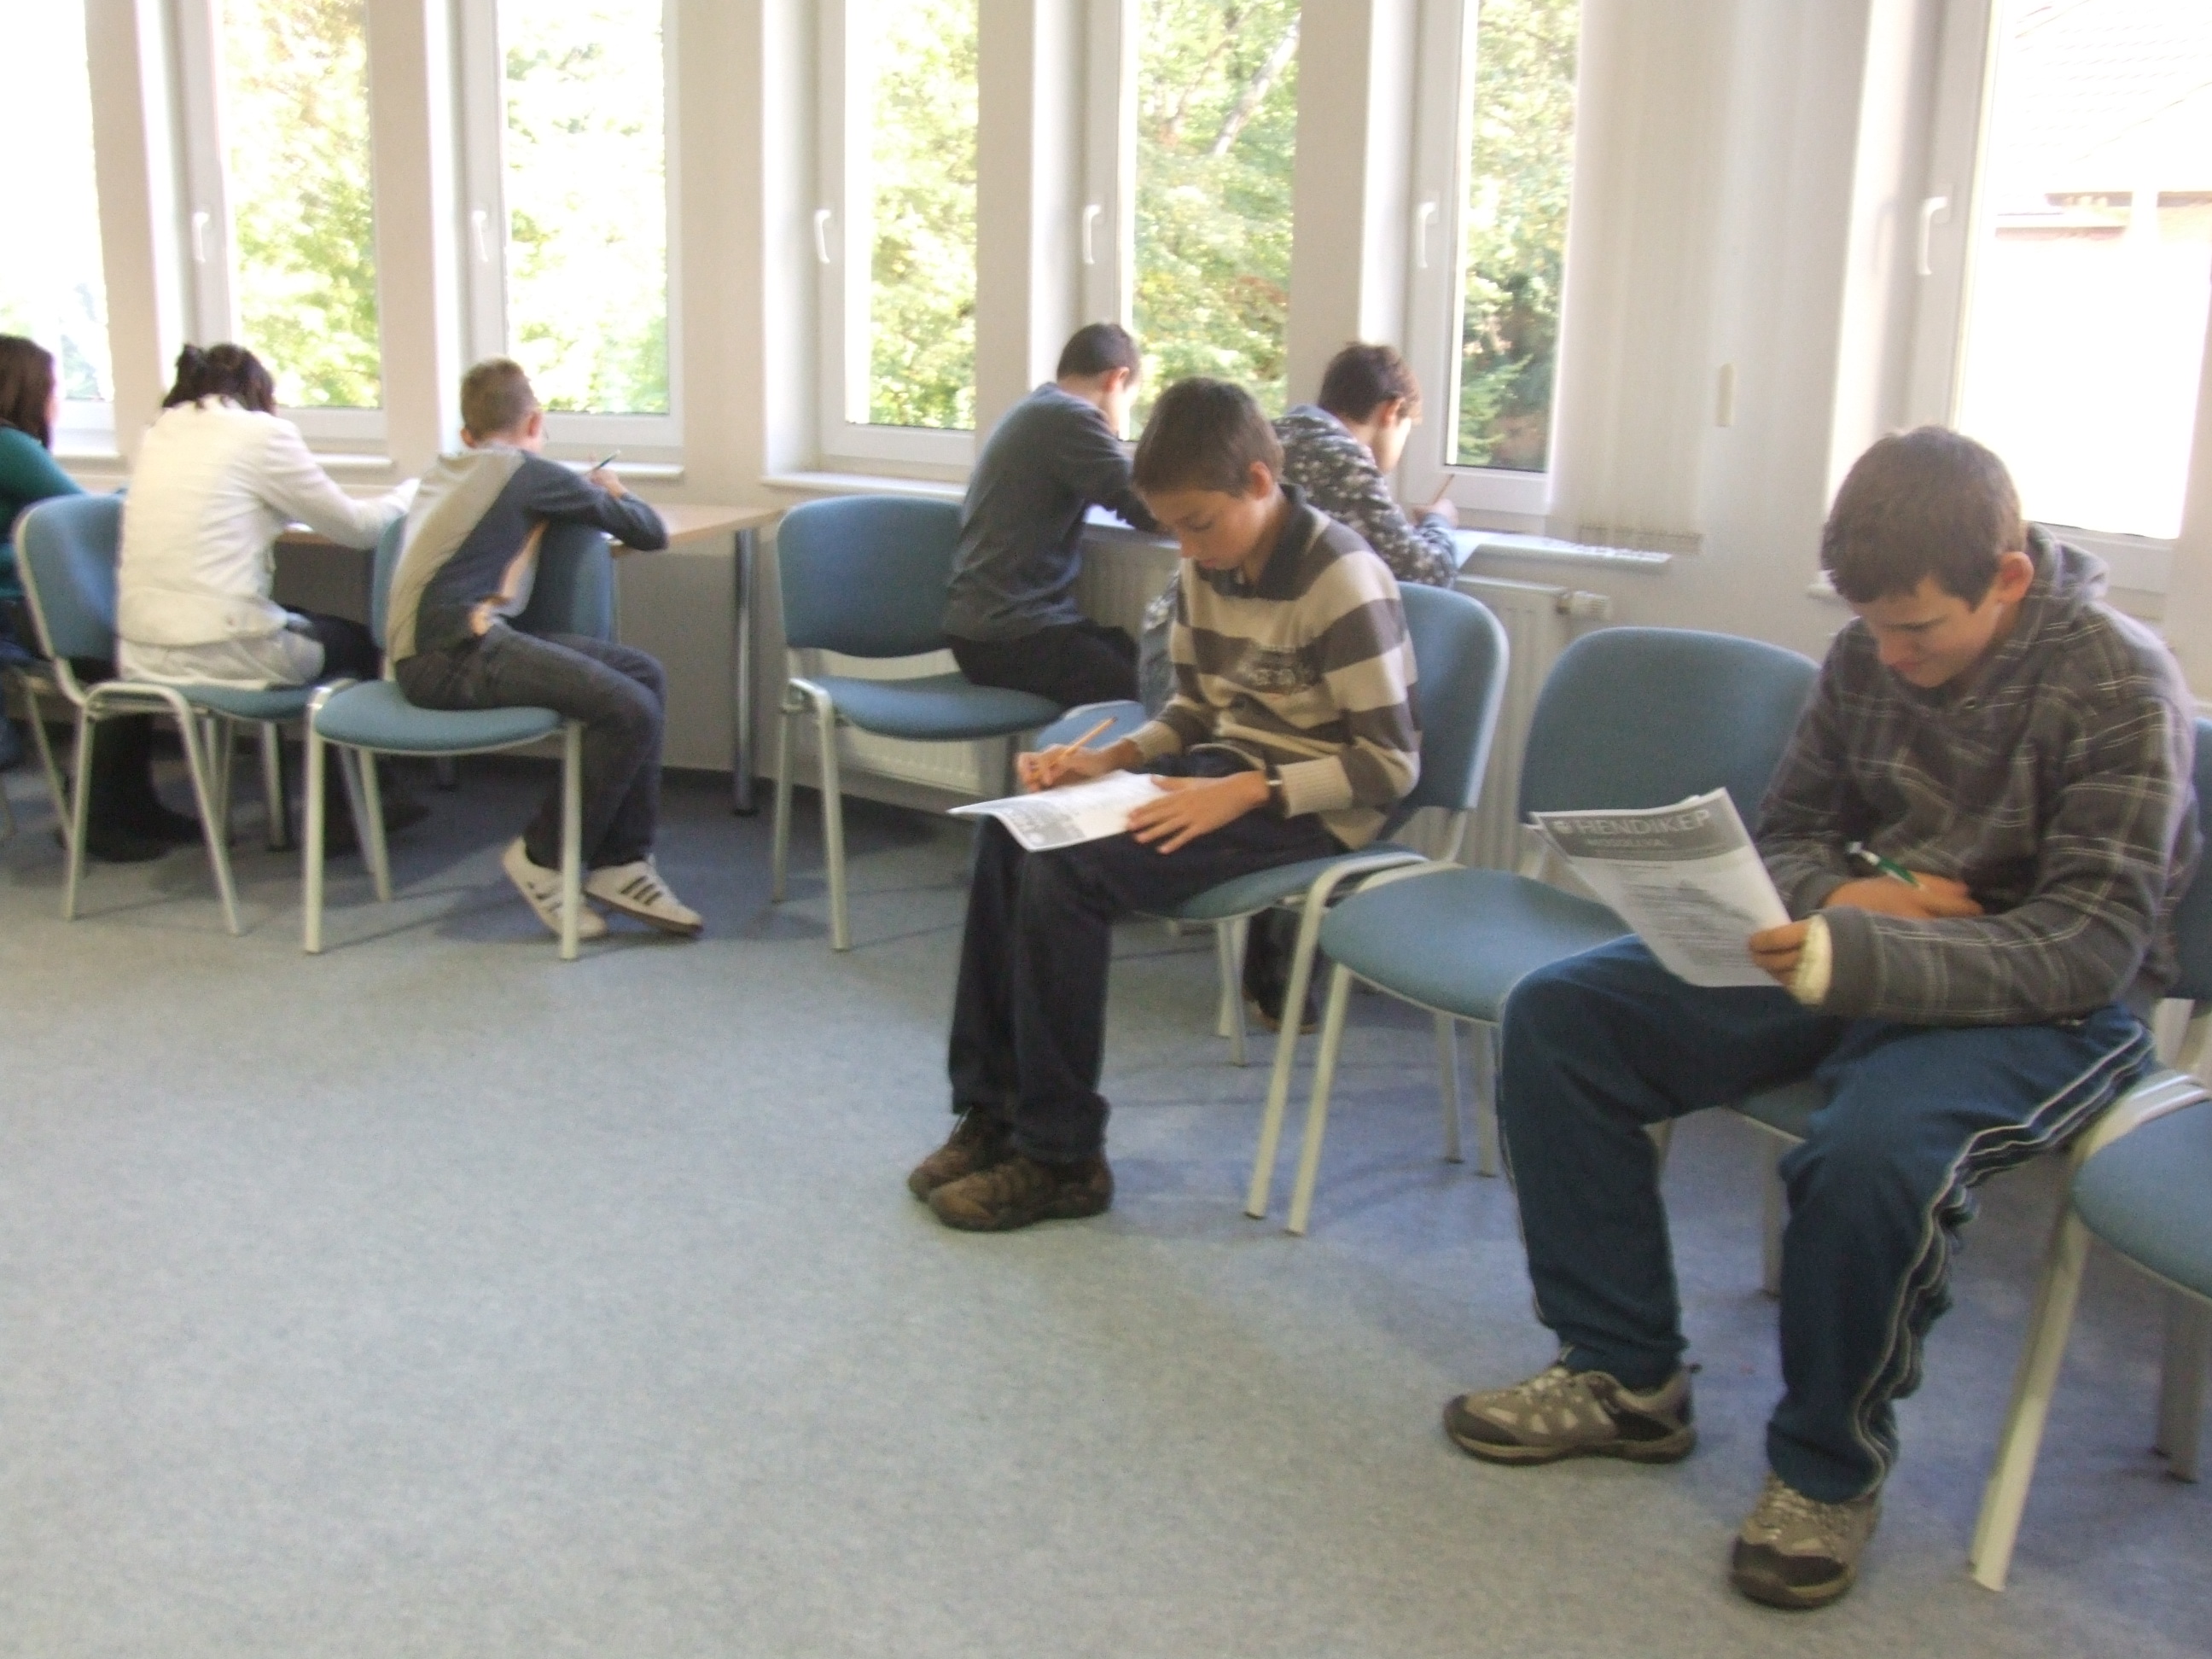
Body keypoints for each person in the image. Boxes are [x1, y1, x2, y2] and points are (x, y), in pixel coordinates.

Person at [1445, 428, 2198, 1610]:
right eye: (1874, 628)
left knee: (1870, 1157)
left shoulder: (2121, 685)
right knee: (1565, 1017)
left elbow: (2088, 946)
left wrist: (1868, 937)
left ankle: (1824, 1472)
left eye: (1920, 631)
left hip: (2049, 1010)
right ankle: (1624, 1377)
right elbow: (1790, 832)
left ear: (2008, 578)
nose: (1891, 657)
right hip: (1847, 949)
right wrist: (1861, 903)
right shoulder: (1866, 650)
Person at [911, 377, 1420, 1232]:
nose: (1186, 548)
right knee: (1011, 834)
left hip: (1310, 806)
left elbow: (1391, 767)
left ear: (1260, 481)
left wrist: (1249, 791)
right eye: (1173, 528)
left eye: (1198, 524)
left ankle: (1063, 1157)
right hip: (1222, 775)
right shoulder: (1211, 561)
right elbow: (1194, 710)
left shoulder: (1343, 577)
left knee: (1067, 873)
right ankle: (992, 1113)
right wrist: (1111, 758)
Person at [388, 358, 699, 942]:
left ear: (466, 434)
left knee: (643, 674)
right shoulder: (528, 472)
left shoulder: (446, 469)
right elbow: (648, 531)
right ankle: (542, 857)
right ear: (535, 422)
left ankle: (621, 863)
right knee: (628, 709)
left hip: (438, 646)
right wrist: (613, 487)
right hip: (450, 654)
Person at [117, 343, 422, 850]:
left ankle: (347, 807)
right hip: (221, 647)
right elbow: (358, 529)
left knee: (302, 620)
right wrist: (415, 491)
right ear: (259, 391)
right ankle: (349, 815)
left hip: (141, 650)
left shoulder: (159, 433)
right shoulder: (260, 435)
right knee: (357, 643)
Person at [942, 322, 1161, 709]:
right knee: (1141, 690)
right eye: (1129, 403)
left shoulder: (1036, 409)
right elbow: (1148, 508)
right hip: (1009, 635)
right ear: (1116, 379)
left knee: (1134, 658)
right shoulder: (1071, 418)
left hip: (985, 629)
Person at [1276, 341, 1459, 589]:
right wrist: (1439, 521)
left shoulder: (1268, 439)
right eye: (1404, 433)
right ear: (1391, 410)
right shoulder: (1344, 463)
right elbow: (1430, 574)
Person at [0, 335, 84, 781]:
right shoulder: (9, 446)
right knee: (119, 645)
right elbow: (83, 514)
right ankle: (103, 793)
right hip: (8, 614)